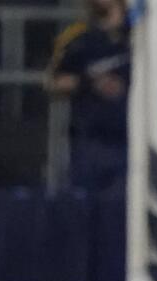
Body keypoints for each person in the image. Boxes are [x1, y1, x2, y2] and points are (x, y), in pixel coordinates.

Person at [46, 0, 130, 193]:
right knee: (86, 207)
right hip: (92, 140)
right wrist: (91, 83)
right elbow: (53, 82)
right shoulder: (77, 36)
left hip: (134, 138)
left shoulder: (143, 34)